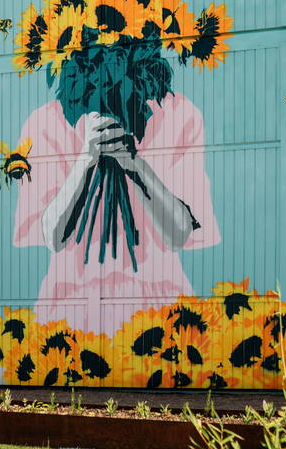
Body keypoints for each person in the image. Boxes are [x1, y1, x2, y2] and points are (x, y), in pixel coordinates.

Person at [14, 95, 220, 335]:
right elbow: (53, 236)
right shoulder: (46, 120)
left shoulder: (179, 112)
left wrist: (131, 161)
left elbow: (179, 234)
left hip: (159, 310)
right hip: (70, 312)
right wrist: (86, 159)